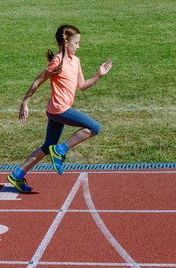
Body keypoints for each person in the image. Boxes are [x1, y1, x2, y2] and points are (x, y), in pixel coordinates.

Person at [7, 25, 112, 193]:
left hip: (56, 111)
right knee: (95, 127)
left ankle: (18, 175)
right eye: (76, 43)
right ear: (65, 43)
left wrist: (99, 75)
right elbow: (37, 82)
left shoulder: (75, 61)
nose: (78, 46)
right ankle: (61, 150)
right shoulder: (58, 61)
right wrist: (24, 102)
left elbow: (82, 86)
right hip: (59, 110)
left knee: (48, 145)